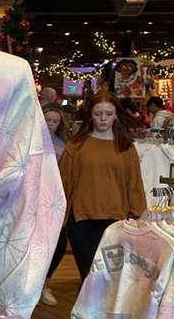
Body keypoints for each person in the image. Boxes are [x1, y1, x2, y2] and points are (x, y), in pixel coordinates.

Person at [58, 89, 147, 282]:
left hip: (117, 220)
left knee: (111, 277)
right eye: (98, 113)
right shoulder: (76, 146)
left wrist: (137, 216)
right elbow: (64, 183)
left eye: (108, 113)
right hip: (81, 220)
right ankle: (86, 302)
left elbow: (134, 184)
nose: (103, 118)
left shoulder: (126, 148)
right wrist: (57, 217)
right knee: (89, 275)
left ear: (116, 115)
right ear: (90, 115)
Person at [40, 102, 68, 307]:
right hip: (33, 198)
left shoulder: (63, 145)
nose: (50, 124)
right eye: (47, 120)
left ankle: (44, 282)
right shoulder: (29, 140)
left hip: (54, 199)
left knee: (58, 244)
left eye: (55, 121)